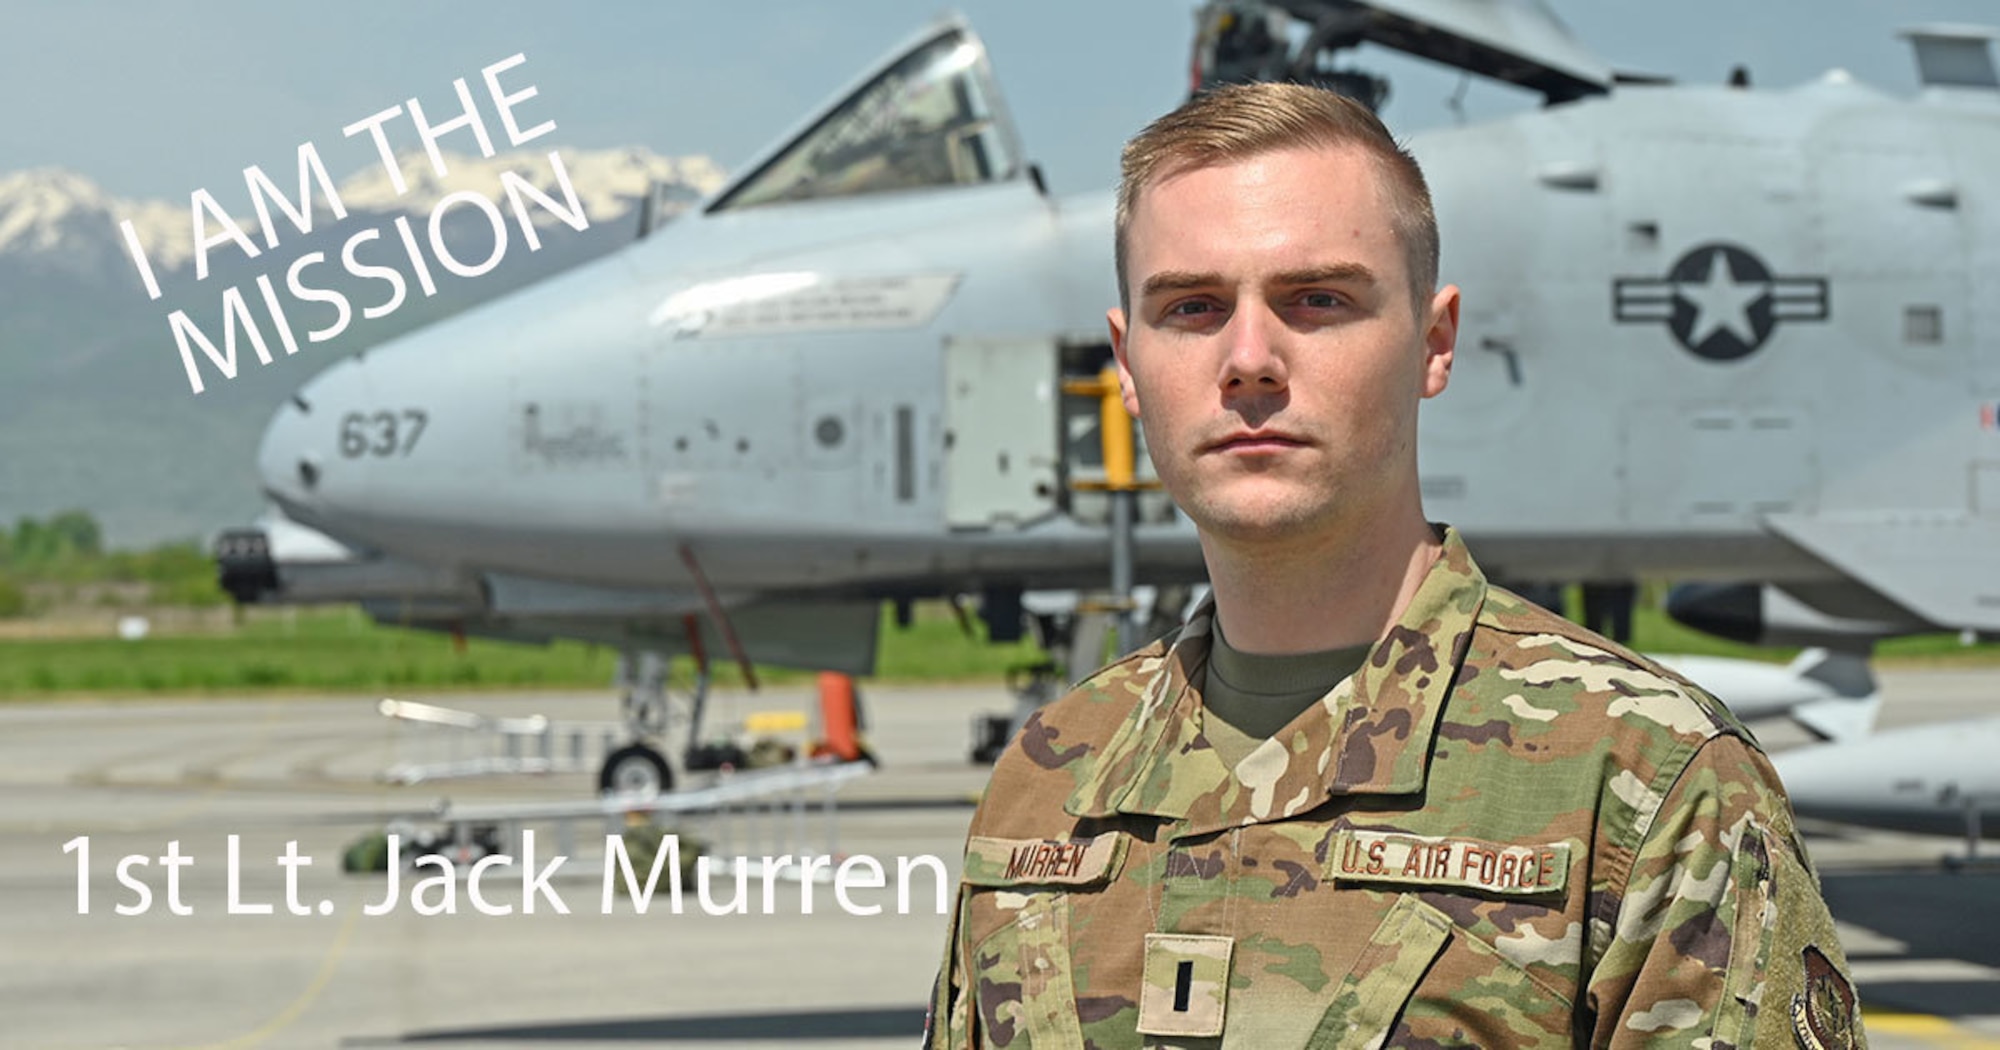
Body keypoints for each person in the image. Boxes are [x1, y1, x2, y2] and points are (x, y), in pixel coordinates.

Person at [925, 82, 1863, 1049]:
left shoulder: (1641, 779)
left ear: (1434, 341)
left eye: (1318, 299)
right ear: (1128, 361)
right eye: (1193, 306)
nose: (1249, 359)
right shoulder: (1047, 777)